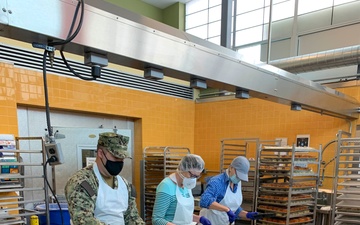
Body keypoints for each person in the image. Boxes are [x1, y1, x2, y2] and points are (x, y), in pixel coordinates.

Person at [64, 132, 144, 225]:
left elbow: (132, 217)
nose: (119, 162)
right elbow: (84, 220)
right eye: (115, 157)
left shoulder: (125, 185)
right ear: (100, 153)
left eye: (122, 159)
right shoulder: (82, 182)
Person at [152, 154, 212, 225]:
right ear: (183, 169)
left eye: (197, 176)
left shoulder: (186, 185)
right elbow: (157, 219)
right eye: (192, 175)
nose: (193, 179)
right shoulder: (166, 186)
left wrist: (199, 219)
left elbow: (184, 216)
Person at [199, 156, 258, 224]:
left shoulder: (237, 183)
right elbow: (204, 200)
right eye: (238, 175)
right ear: (231, 168)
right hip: (211, 222)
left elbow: (233, 208)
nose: (239, 178)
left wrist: (247, 215)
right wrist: (227, 210)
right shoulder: (217, 182)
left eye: (241, 177)